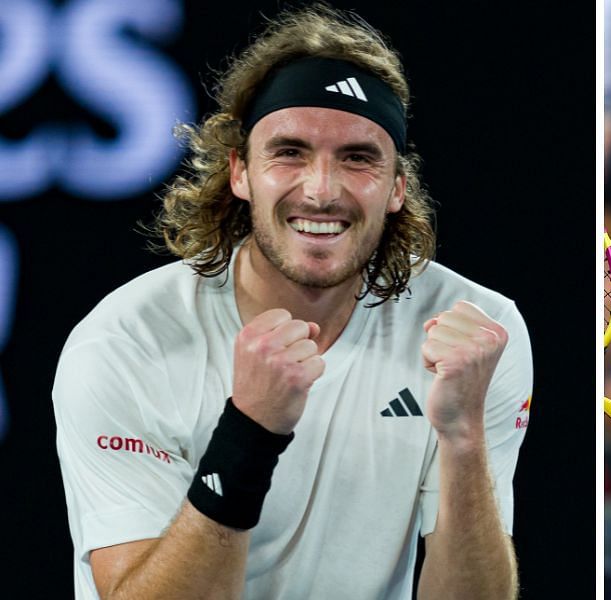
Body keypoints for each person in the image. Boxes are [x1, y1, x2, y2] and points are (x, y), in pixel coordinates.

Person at [52, 7, 531, 599]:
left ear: (397, 188)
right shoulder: (126, 342)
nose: (322, 190)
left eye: (358, 158)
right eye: (290, 152)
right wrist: (248, 432)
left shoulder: (479, 333)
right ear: (240, 173)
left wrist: (463, 437)